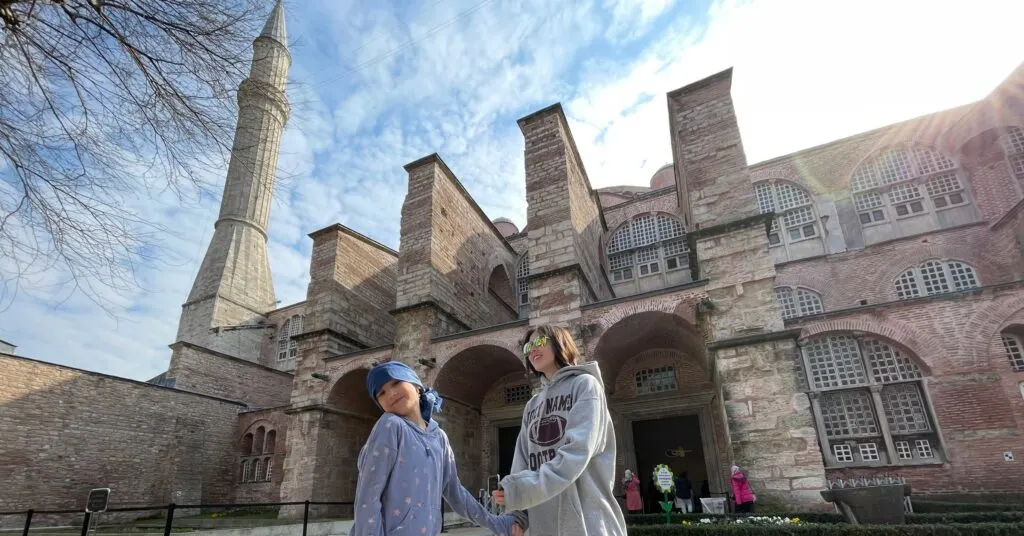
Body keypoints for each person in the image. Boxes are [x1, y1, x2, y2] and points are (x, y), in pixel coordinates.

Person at [352, 360, 520, 535]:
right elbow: (367, 497)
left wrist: (498, 523)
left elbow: (456, 494)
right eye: (381, 393)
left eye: (396, 383)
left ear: (416, 386)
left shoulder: (439, 437)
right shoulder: (390, 426)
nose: (391, 394)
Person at [491, 325, 628, 536]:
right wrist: (518, 514)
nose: (532, 350)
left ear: (560, 343)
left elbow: (577, 452)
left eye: (539, 342)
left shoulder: (585, 385)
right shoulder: (532, 405)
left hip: (586, 521)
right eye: (528, 346)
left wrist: (522, 490)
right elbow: (522, 461)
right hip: (543, 524)